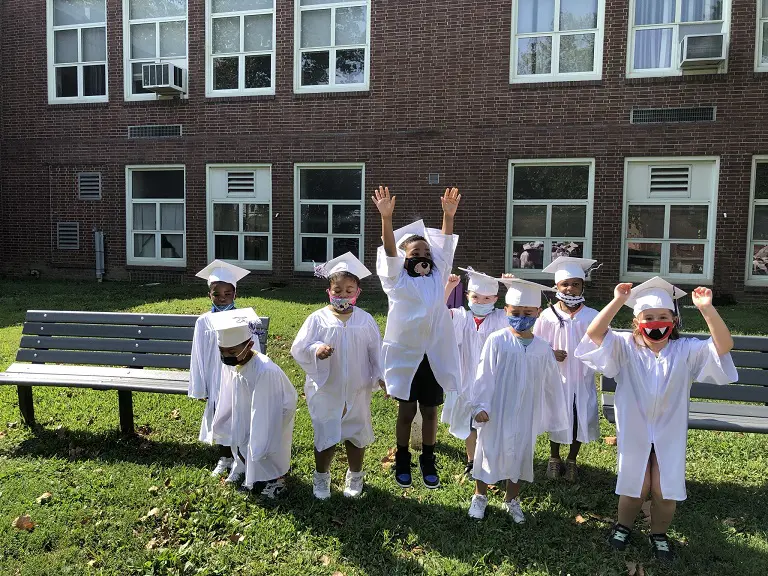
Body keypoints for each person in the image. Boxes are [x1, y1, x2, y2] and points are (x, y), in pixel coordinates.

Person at [575, 277, 736, 561]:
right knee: (636, 483)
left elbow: (723, 346)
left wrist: (707, 309)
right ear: (637, 322)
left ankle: (659, 533)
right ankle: (623, 525)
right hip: (635, 427)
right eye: (648, 317)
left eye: (663, 316)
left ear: (673, 321)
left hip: (669, 430)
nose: (656, 322)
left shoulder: (686, 350)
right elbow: (594, 333)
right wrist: (617, 301)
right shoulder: (625, 346)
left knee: (664, 488)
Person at [372, 185, 461, 489]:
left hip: (433, 355)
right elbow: (390, 253)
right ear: (404, 258)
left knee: (430, 412)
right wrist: (387, 219)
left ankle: (428, 458)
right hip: (406, 354)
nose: (422, 256)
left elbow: (445, 248)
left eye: (426, 252)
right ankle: (402, 457)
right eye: (415, 253)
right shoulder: (397, 282)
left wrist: (448, 216)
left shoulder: (437, 278)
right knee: (406, 411)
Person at [468, 277, 568, 523]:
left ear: (538, 313)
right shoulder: (497, 340)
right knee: (488, 450)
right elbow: (484, 374)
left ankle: (512, 499)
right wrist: (480, 405)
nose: (522, 316)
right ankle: (480, 496)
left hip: (527, 411)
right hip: (497, 409)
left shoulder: (543, 348)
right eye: (516, 312)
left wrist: (553, 416)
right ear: (506, 311)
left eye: (528, 312)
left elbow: (551, 384)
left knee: (521, 454)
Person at [291, 252, 384, 500]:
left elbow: (377, 351)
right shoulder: (317, 319)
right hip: (326, 387)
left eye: (349, 290)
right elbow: (299, 347)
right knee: (325, 431)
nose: (343, 295)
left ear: (358, 293)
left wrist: (383, 376)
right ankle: (321, 476)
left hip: (357, 386)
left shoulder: (365, 321)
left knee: (356, 432)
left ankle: (355, 475)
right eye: (338, 290)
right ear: (328, 291)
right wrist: (316, 349)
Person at [210, 308, 298, 499]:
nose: (226, 356)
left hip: (273, 411)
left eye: (231, 351)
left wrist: (257, 441)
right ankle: (247, 469)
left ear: (249, 345)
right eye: (222, 351)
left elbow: (265, 414)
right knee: (243, 437)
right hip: (249, 409)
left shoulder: (264, 371)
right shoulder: (235, 363)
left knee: (268, 442)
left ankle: (276, 479)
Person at [187, 260, 260, 482]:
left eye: (227, 293)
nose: (222, 298)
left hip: (238, 376)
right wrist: (201, 387)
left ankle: (241, 461)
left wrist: (254, 379)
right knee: (219, 417)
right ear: (209, 294)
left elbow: (255, 348)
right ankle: (224, 458)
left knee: (239, 417)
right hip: (216, 379)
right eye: (216, 293)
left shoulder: (244, 318)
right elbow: (198, 356)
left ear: (235, 293)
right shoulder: (203, 322)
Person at [535, 256, 600, 482]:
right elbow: (536, 343)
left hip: (582, 378)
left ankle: (572, 460)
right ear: (556, 287)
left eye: (575, 284)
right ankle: (554, 458)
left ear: (583, 286)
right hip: (557, 377)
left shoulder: (593, 316)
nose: (570, 289)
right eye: (565, 284)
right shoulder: (547, 315)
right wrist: (550, 353)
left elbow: (603, 343)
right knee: (557, 416)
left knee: (578, 416)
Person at [441, 267, 507, 477]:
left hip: (494, 379)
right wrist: (449, 287)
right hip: (465, 377)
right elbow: (436, 312)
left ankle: (491, 459)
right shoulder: (461, 317)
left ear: (496, 298)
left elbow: (521, 309)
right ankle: (472, 460)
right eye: (475, 297)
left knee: (490, 421)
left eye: (487, 298)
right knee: (468, 421)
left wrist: (512, 287)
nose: (481, 301)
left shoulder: (501, 318)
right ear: (467, 296)